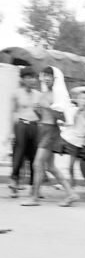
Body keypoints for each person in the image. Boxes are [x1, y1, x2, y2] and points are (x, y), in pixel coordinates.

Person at [21, 66, 79, 207]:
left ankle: (34, 198)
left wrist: (48, 108)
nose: (46, 78)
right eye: (44, 75)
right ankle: (71, 194)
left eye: (49, 76)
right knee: (50, 167)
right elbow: (43, 115)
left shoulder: (58, 95)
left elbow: (64, 117)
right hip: (43, 130)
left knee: (37, 164)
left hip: (50, 131)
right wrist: (38, 111)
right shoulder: (45, 94)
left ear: (55, 78)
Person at [10, 66, 40, 197]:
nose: (31, 80)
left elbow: (43, 113)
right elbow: (12, 112)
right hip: (21, 124)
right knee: (19, 153)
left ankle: (34, 186)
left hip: (35, 126)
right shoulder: (16, 93)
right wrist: (12, 132)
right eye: (28, 77)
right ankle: (14, 182)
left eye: (33, 77)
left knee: (34, 156)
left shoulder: (39, 95)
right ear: (23, 79)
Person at [60, 91, 85, 187]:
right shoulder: (74, 111)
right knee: (70, 165)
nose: (84, 101)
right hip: (73, 140)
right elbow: (70, 123)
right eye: (81, 99)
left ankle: (73, 183)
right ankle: (72, 183)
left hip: (83, 141)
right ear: (77, 100)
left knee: (77, 164)